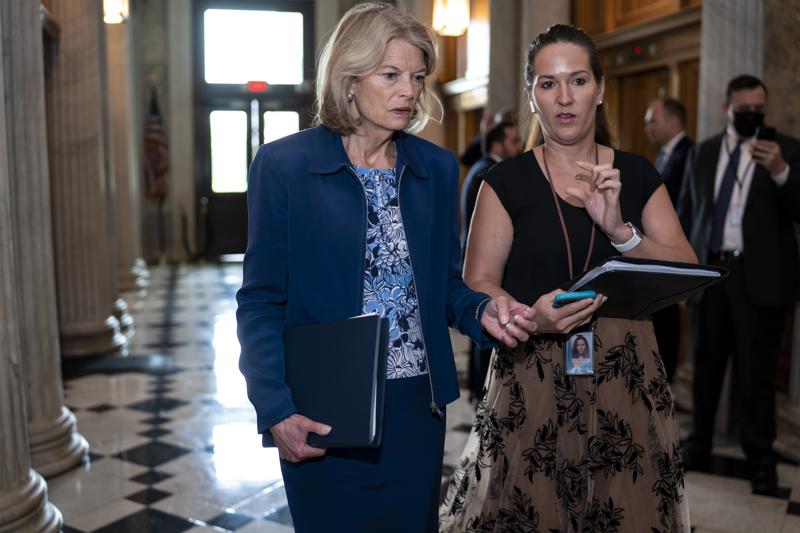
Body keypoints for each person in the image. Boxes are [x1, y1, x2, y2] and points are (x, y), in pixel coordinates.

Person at [235, 4, 536, 532]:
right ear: (349, 79)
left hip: (415, 410)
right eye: (391, 75)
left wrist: (484, 310)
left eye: (417, 77)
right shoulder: (284, 167)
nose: (409, 90)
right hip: (323, 407)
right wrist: (275, 407)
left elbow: (445, 287)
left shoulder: (435, 168)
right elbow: (261, 300)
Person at [440, 23, 695, 532]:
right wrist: (528, 316)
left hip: (625, 373)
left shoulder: (637, 174)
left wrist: (621, 231)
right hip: (531, 372)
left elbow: (685, 271)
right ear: (532, 96)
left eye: (577, 81)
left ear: (600, 89)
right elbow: (478, 284)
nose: (564, 98)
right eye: (547, 83)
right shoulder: (504, 181)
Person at [678, 74, 800, 495]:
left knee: (757, 373)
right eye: (743, 109)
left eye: (758, 110)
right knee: (706, 365)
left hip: (758, 277)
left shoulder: (787, 151)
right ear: (727, 108)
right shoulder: (705, 151)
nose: (751, 116)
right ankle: (699, 442)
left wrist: (782, 172)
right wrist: (682, 275)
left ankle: (760, 458)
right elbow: (688, 213)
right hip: (711, 273)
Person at [461, 120, 522, 403]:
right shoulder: (489, 172)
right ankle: (482, 390)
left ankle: (477, 388)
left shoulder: (481, 167)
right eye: (512, 140)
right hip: (481, 258)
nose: (518, 146)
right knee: (485, 330)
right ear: (497, 144)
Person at [644, 98, 695, 381]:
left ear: (674, 120)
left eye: (653, 120)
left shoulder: (690, 154)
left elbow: (689, 211)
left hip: (674, 254)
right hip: (655, 256)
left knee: (670, 330)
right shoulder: (662, 155)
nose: (647, 127)